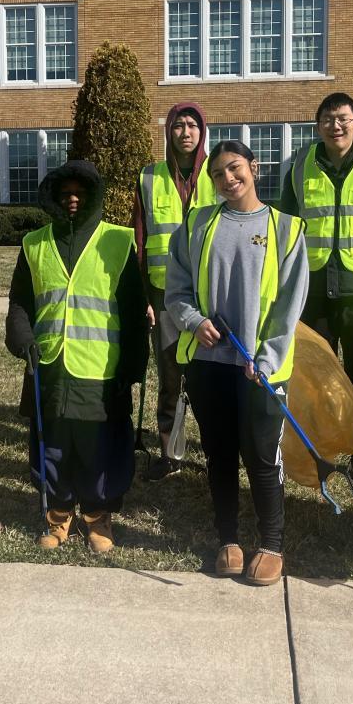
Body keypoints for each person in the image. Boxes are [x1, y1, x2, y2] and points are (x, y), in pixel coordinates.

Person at [165, 140, 309, 586]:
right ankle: (227, 539)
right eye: (218, 174)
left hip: (259, 370)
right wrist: (193, 322)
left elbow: (289, 304)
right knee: (220, 454)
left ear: (254, 168)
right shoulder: (197, 224)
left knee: (262, 455)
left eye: (234, 168)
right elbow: (177, 288)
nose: (228, 179)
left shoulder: (286, 228)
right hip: (209, 363)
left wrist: (267, 357)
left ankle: (271, 544)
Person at [5, 160, 148, 553]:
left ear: (94, 197)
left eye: (80, 194)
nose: (72, 200)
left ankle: (97, 517)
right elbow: (20, 302)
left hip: (101, 370)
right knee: (53, 445)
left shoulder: (118, 240)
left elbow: (134, 312)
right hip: (49, 367)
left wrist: (133, 365)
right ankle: (58, 515)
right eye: (65, 193)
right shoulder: (34, 244)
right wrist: (22, 337)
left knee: (97, 449)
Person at [279, 92, 353, 490]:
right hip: (314, 292)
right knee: (316, 378)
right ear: (318, 126)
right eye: (328, 119)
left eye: (343, 119)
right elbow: (286, 227)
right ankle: (320, 451)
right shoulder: (299, 166)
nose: (336, 126)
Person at [131, 102, 215, 480]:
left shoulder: (218, 172)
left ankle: (214, 451)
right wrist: (144, 298)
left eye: (192, 125)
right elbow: (140, 239)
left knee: (208, 378)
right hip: (163, 296)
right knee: (169, 377)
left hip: (209, 296)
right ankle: (170, 452)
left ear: (202, 131)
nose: (185, 132)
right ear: (169, 132)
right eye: (178, 125)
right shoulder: (149, 177)